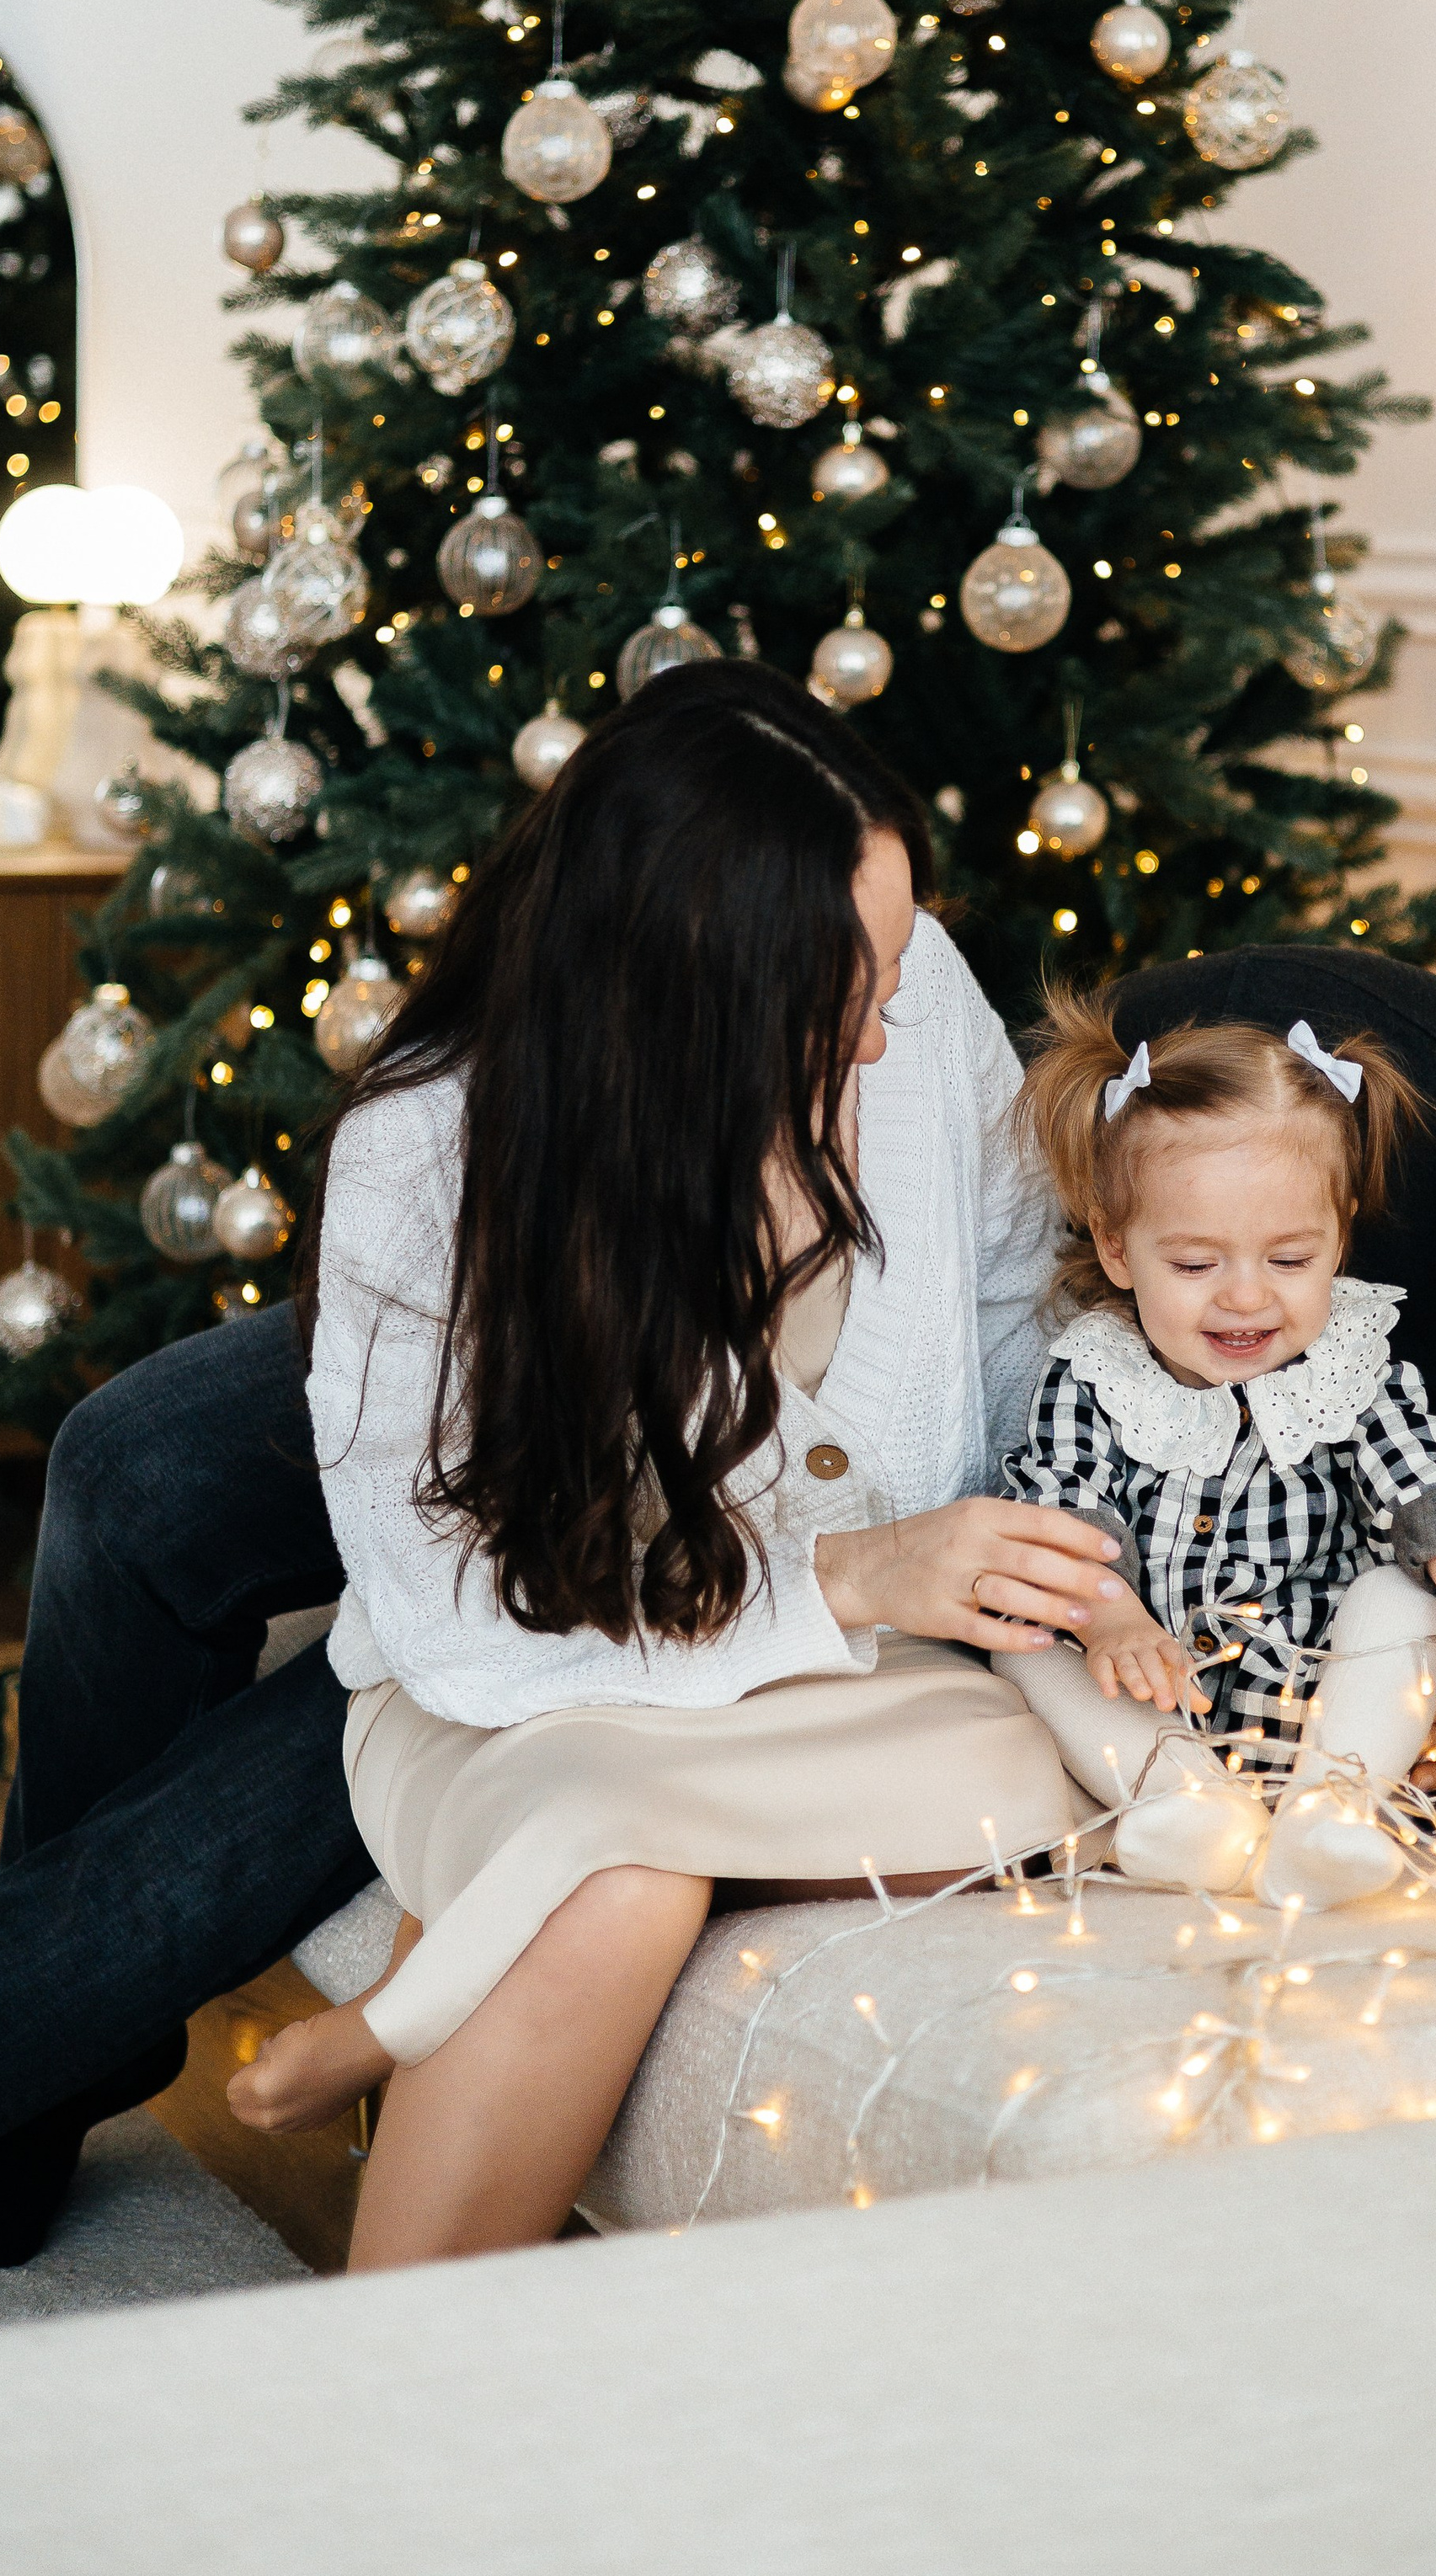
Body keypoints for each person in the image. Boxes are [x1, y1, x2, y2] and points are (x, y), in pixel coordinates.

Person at [0, 864, 1436, 2256]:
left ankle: (6, 2060)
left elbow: (1417, 1670)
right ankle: (80, 2049)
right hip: (744, 1350)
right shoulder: (1347, 1034)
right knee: (140, 1464)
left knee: (379, 1705)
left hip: (926, 1561)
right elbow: (969, 1137)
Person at [210, 662, 1132, 2268]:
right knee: (613, 1880)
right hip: (525, 1705)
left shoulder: (915, 1010)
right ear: (674, 990)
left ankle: (425, 1987)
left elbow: (1017, 1337)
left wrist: (1073, 1567)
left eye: (897, 961)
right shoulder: (426, 1156)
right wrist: (847, 1576)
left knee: (1041, 1777)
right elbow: (451, 1630)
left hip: (864, 1700)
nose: (888, 1029)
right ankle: (377, 2388)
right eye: (837, 996)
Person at [990, 991, 1436, 1901]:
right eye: (1195, 1264)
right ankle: (1182, 1806)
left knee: (1408, 1591)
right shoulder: (1093, 1374)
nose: (1246, 1297)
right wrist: (1109, 1619)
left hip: (1319, 1696)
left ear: (1339, 1237)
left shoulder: (1353, 1368)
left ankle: (1333, 1810)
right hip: (1154, 1689)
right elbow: (1062, 1509)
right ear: (1118, 1249)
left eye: (1289, 1260)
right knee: (1025, 1637)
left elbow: (1432, 1489)